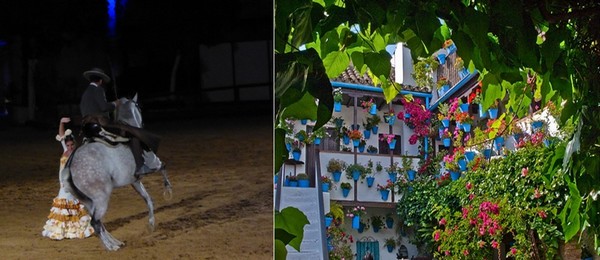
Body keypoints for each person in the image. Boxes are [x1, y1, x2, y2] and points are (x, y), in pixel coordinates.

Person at [79, 67, 163, 175]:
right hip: (99, 123)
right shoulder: (99, 89)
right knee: (133, 136)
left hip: (86, 126)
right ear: (100, 80)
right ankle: (140, 167)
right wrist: (115, 104)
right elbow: (104, 107)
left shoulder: (86, 93)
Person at [42, 117, 95, 240]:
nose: (70, 147)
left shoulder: (77, 155)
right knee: (67, 206)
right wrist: (61, 122)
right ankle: (70, 229)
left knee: (66, 204)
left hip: (70, 184)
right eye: (68, 145)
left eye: (72, 145)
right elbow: (61, 135)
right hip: (63, 183)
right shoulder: (65, 150)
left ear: (75, 144)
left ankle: (67, 230)